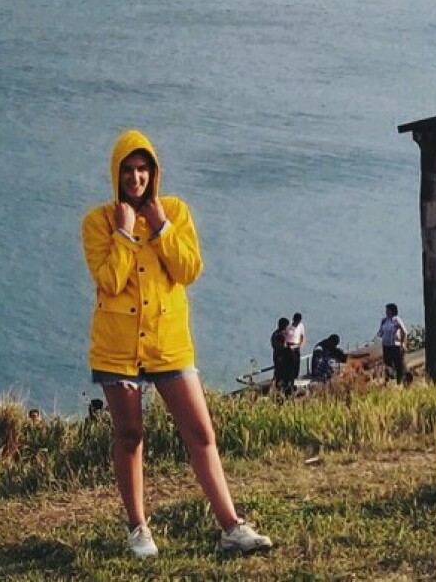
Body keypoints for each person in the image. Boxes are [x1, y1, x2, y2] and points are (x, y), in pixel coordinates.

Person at [82, 129, 273, 560]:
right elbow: (109, 282)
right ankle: (138, 529)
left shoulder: (175, 212)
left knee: (201, 433)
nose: (135, 178)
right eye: (128, 170)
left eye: (142, 169)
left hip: (169, 343)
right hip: (117, 346)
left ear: (153, 173)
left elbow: (189, 271)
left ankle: (231, 526)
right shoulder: (98, 222)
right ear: (116, 174)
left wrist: (160, 227)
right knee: (130, 435)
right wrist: (125, 235)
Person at [378, 303, 408, 384]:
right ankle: (387, 381)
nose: (386, 312)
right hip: (386, 345)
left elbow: (404, 331)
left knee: (398, 365)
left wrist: (403, 343)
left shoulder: (396, 319)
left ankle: (399, 381)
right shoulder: (384, 320)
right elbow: (380, 333)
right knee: (387, 365)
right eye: (386, 310)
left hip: (395, 345)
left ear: (392, 311)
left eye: (388, 310)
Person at [270, 316, 291, 394]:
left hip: (277, 356)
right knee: (281, 375)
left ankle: (279, 389)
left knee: (278, 373)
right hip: (281, 358)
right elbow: (283, 347)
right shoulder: (280, 335)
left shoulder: (275, 334)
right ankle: (281, 390)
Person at [284, 311, 306, 388]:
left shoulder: (301, 326)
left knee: (296, 363)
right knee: (290, 364)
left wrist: (300, 344)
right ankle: (289, 379)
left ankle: (295, 378)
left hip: (296, 346)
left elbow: (302, 336)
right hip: (289, 346)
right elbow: (285, 336)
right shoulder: (288, 326)